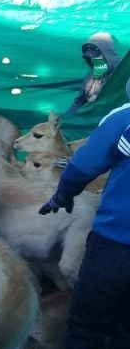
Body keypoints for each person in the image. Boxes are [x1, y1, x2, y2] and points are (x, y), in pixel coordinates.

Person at [39, 75, 130, 348]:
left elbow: (81, 167)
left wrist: (62, 196)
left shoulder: (123, 119)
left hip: (116, 244)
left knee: (86, 326)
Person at [64, 32, 121, 116]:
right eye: (87, 49)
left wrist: (97, 101)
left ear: (106, 50)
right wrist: (67, 117)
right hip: (88, 116)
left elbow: (120, 100)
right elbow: (80, 100)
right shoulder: (92, 74)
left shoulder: (120, 73)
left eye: (93, 49)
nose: (89, 53)